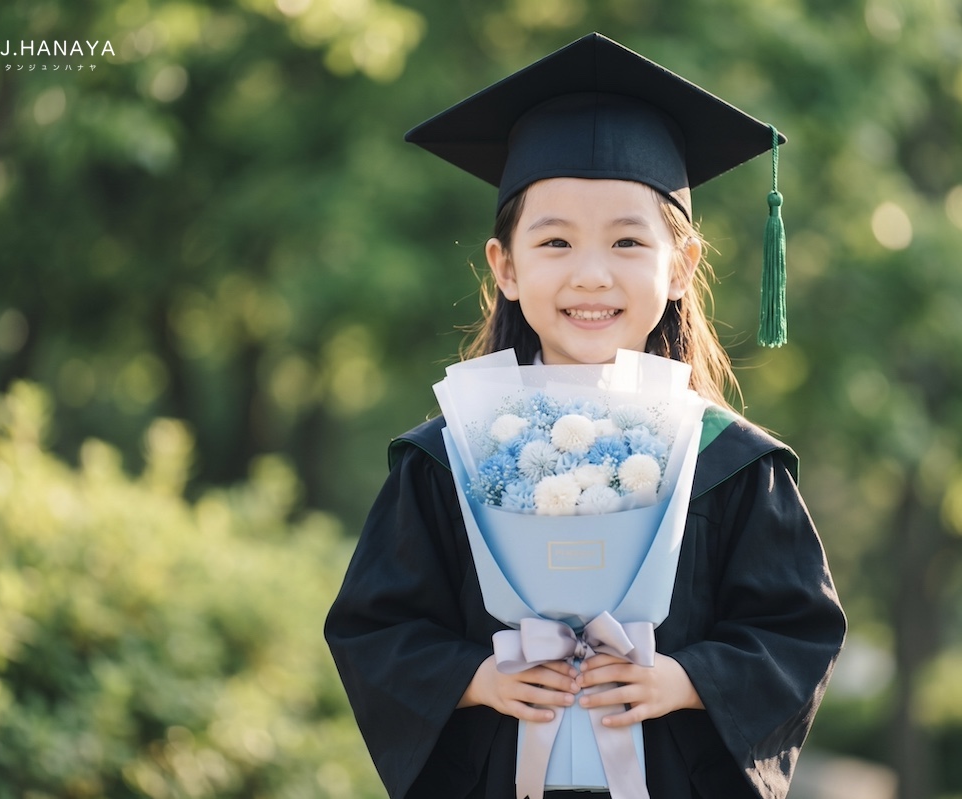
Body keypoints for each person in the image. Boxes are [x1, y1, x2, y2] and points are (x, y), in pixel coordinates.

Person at [325, 32, 845, 799]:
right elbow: (374, 628)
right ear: (505, 266)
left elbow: (797, 630)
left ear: (681, 267)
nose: (591, 273)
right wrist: (475, 678)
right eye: (556, 240)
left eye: (629, 240)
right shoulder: (448, 458)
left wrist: (684, 678)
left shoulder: (732, 463)